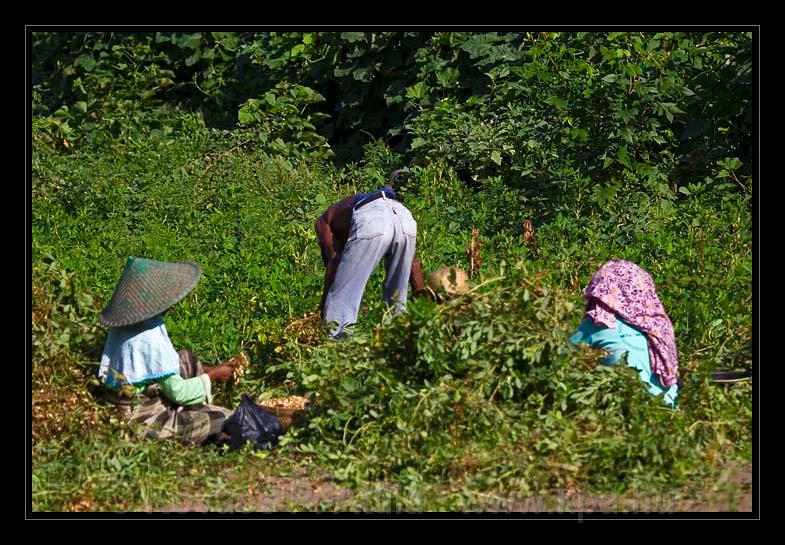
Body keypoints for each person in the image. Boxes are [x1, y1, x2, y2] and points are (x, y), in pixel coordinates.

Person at [97, 257, 236, 446]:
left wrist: (208, 370)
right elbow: (178, 393)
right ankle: (196, 417)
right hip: (144, 422)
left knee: (186, 359)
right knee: (226, 419)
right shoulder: (149, 338)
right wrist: (212, 377)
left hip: (120, 404)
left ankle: (195, 406)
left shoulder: (123, 326)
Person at [315, 171, 425, 338]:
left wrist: (321, 309)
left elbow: (334, 262)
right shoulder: (351, 207)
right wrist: (425, 307)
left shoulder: (323, 222)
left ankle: (335, 351)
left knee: (341, 298)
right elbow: (414, 265)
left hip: (372, 219)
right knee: (396, 300)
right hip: (404, 216)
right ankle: (398, 346)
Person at [570, 259, 679, 407]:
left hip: (629, 412)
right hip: (669, 412)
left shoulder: (598, 322)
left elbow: (562, 359)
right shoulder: (661, 327)